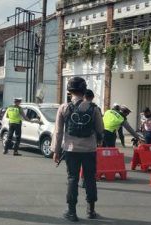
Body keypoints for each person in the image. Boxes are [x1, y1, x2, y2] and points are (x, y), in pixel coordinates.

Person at [52, 77, 104, 222]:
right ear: (84, 90)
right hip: (89, 150)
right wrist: (99, 141)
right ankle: (91, 211)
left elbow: (58, 132)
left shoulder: (64, 107)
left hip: (71, 150)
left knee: (72, 179)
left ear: (69, 91)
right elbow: (100, 129)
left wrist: (56, 151)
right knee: (90, 179)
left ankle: (71, 212)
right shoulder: (94, 108)